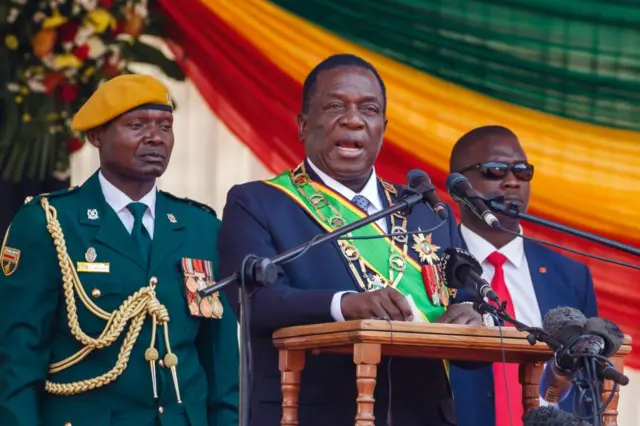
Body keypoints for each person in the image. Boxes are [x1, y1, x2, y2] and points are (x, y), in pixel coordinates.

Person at [217, 54, 482, 426]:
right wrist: (345, 305)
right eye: (335, 106)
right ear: (303, 125)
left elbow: (468, 306)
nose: (353, 119)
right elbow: (255, 304)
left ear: (382, 128)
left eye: (368, 109)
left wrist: (472, 319)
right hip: (312, 414)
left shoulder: (426, 210)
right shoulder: (258, 203)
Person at [0, 74, 239, 426]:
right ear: (96, 135)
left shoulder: (201, 228)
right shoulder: (49, 223)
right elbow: (17, 359)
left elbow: (220, 361)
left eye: (165, 126)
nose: (155, 138)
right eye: (137, 125)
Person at [447, 126, 598, 426]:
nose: (512, 182)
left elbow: (588, 382)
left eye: (522, 172)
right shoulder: (432, 263)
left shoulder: (570, 276)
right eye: (495, 171)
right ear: (459, 187)